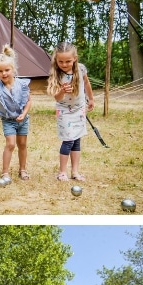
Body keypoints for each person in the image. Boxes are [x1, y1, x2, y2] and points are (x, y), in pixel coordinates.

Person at [0, 45, 32, 186]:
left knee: (22, 144)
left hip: (23, 119)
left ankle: (22, 169)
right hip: (8, 121)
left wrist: (24, 114)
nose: (4, 74)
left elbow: (29, 102)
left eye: (7, 70)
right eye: (0, 71)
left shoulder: (22, 84)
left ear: (13, 69)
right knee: (10, 144)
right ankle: (5, 172)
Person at [47, 42, 95, 182]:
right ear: (56, 60)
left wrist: (90, 99)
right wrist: (62, 91)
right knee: (68, 140)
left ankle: (75, 171)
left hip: (78, 109)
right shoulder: (56, 73)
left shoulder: (81, 69)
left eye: (68, 61)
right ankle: (62, 172)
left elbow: (86, 83)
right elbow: (57, 97)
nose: (64, 64)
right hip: (64, 111)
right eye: (61, 61)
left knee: (77, 140)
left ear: (75, 58)